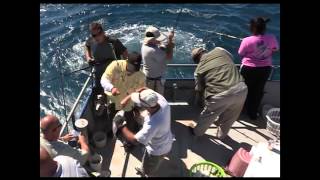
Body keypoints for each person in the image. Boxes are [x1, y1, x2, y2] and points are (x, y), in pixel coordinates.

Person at [189, 47, 248, 139]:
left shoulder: (198, 70)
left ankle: (197, 132)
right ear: (204, 51)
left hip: (220, 95)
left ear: (196, 61)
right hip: (241, 88)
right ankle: (221, 135)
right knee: (230, 117)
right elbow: (231, 57)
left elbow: (199, 89)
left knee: (207, 116)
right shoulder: (219, 50)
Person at [115, 88, 173, 177]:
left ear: (147, 106)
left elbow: (135, 140)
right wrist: (129, 97)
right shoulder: (161, 101)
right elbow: (145, 88)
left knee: (149, 170)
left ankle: (146, 173)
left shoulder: (153, 124)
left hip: (157, 150)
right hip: (166, 140)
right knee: (146, 159)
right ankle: (143, 168)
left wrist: (121, 126)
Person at [238, 17, 279, 120]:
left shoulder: (246, 40)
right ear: (264, 28)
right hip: (265, 69)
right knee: (258, 91)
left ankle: (239, 110)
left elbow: (241, 53)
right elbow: (275, 49)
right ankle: (252, 113)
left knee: (243, 90)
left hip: (248, 69)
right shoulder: (272, 38)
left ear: (252, 28)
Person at [100, 52, 146, 135]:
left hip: (128, 102)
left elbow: (140, 90)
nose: (133, 70)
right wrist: (111, 88)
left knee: (129, 117)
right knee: (110, 115)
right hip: (113, 99)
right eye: (132, 67)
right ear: (127, 61)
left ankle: (130, 134)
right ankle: (111, 131)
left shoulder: (141, 76)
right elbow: (104, 79)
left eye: (136, 68)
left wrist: (132, 102)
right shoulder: (115, 65)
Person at [85, 22, 128, 92]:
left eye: (99, 34)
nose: (96, 37)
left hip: (115, 75)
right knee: (100, 93)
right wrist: (88, 57)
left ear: (103, 32)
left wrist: (126, 68)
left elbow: (125, 53)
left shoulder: (113, 42)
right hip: (99, 75)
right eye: (94, 35)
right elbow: (87, 46)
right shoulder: (91, 41)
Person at [141, 26, 175, 95]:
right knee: (156, 99)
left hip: (148, 77)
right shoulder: (152, 50)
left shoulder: (144, 45)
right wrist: (170, 41)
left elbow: (158, 44)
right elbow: (169, 57)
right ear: (153, 39)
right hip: (153, 80)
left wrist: (163, 43)